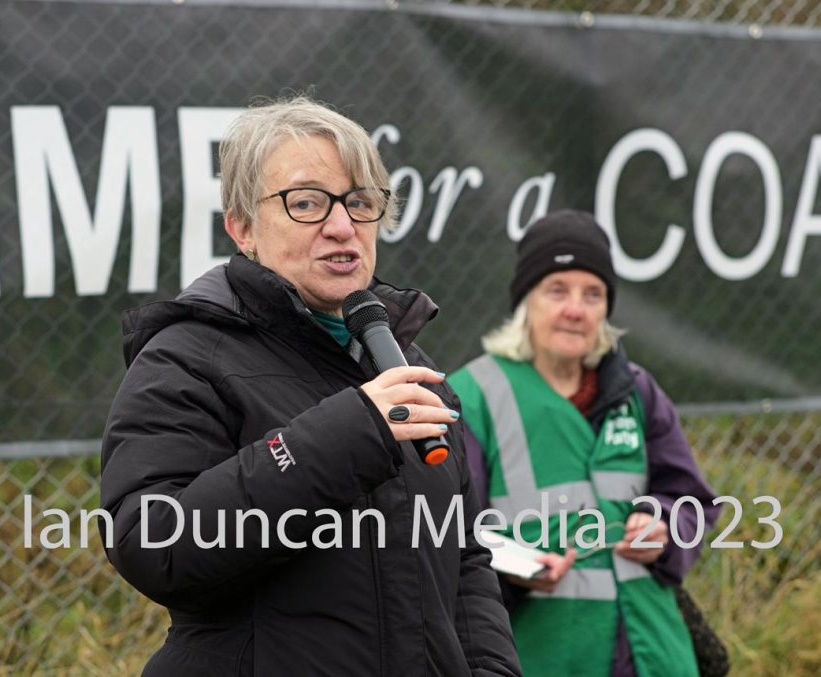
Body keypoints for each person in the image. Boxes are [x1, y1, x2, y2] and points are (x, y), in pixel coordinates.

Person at [99, 96, 521, 676]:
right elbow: (154, 545)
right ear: (242, 227)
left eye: (361, 203)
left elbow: (465, 557)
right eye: (306, 203)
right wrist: (354, 431)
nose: (342, 227)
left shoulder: (406, 366)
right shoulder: (185, 357)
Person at [448, 210, 720, 676]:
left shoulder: (636, 389)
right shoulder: (471, 396)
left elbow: (690, 500)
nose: (575, 309)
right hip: (544, 655)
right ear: (525, 301)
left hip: (656, 654)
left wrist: (663, 527)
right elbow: (449, 532)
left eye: (592, 294)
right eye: (557, 290)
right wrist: (513, 570)